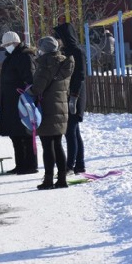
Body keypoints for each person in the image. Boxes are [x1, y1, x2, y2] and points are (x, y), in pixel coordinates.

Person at [27, 36, 74, 190]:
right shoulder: (64, 63)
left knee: (48, 146)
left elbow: (38, 88)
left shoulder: (46, 64)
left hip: (46, 109)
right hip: (61, 108)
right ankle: (62, 179)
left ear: (44, 49)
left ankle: (48, 180)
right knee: (58, 144)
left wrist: (29, 91)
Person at [0, 31, 38, 175]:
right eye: (5, 45)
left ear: (15, 43)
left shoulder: (24, 56)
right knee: (15, 135)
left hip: (22, 101)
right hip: (11, 102)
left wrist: (27, 95)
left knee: (25, 134)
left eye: (8, 44)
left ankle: (31, 165)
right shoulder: (11, 57)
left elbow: (30, 79)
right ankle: (20, 164)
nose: (6, 47)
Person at [54, 23, 87, 175]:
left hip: (75, 95)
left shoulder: (77, 52)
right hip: (67, 95)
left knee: (70, 131)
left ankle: (70, 165)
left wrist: (74, 96)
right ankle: (79, 164)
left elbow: (80, 76)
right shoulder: (64, 51)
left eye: (59, 38)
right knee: (75, 132)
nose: (58, 41)